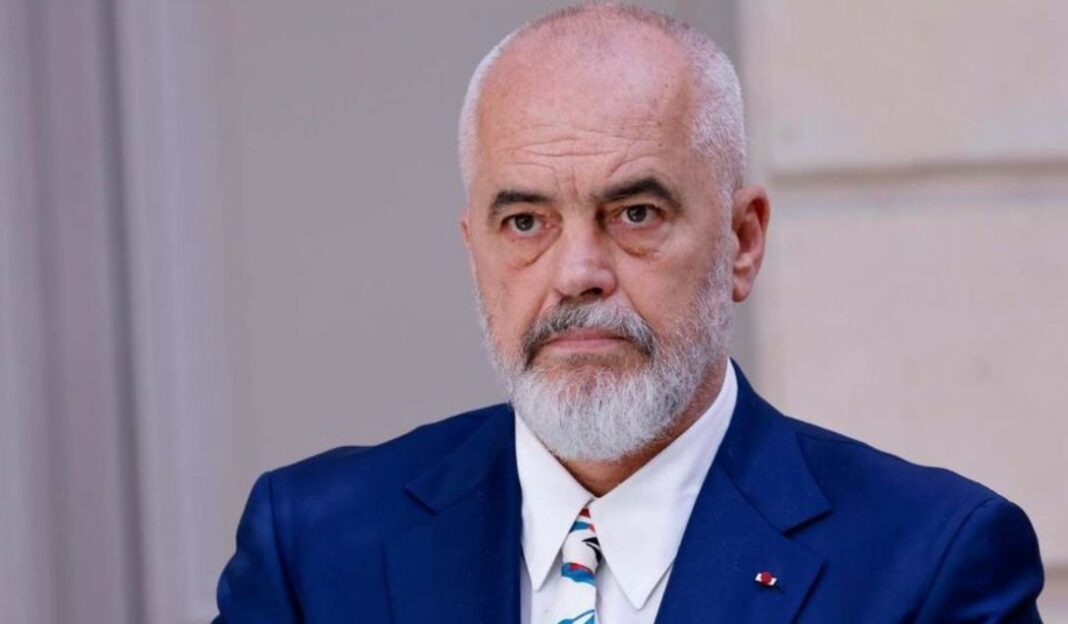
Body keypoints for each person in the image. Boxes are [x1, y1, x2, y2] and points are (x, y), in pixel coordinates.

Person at [213, 4, 1045, 623]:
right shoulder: (314, 551)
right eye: (526, 222)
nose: (578, 274)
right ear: (475, 252)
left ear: (742, 241)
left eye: (635, 213)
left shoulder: (929, 564)